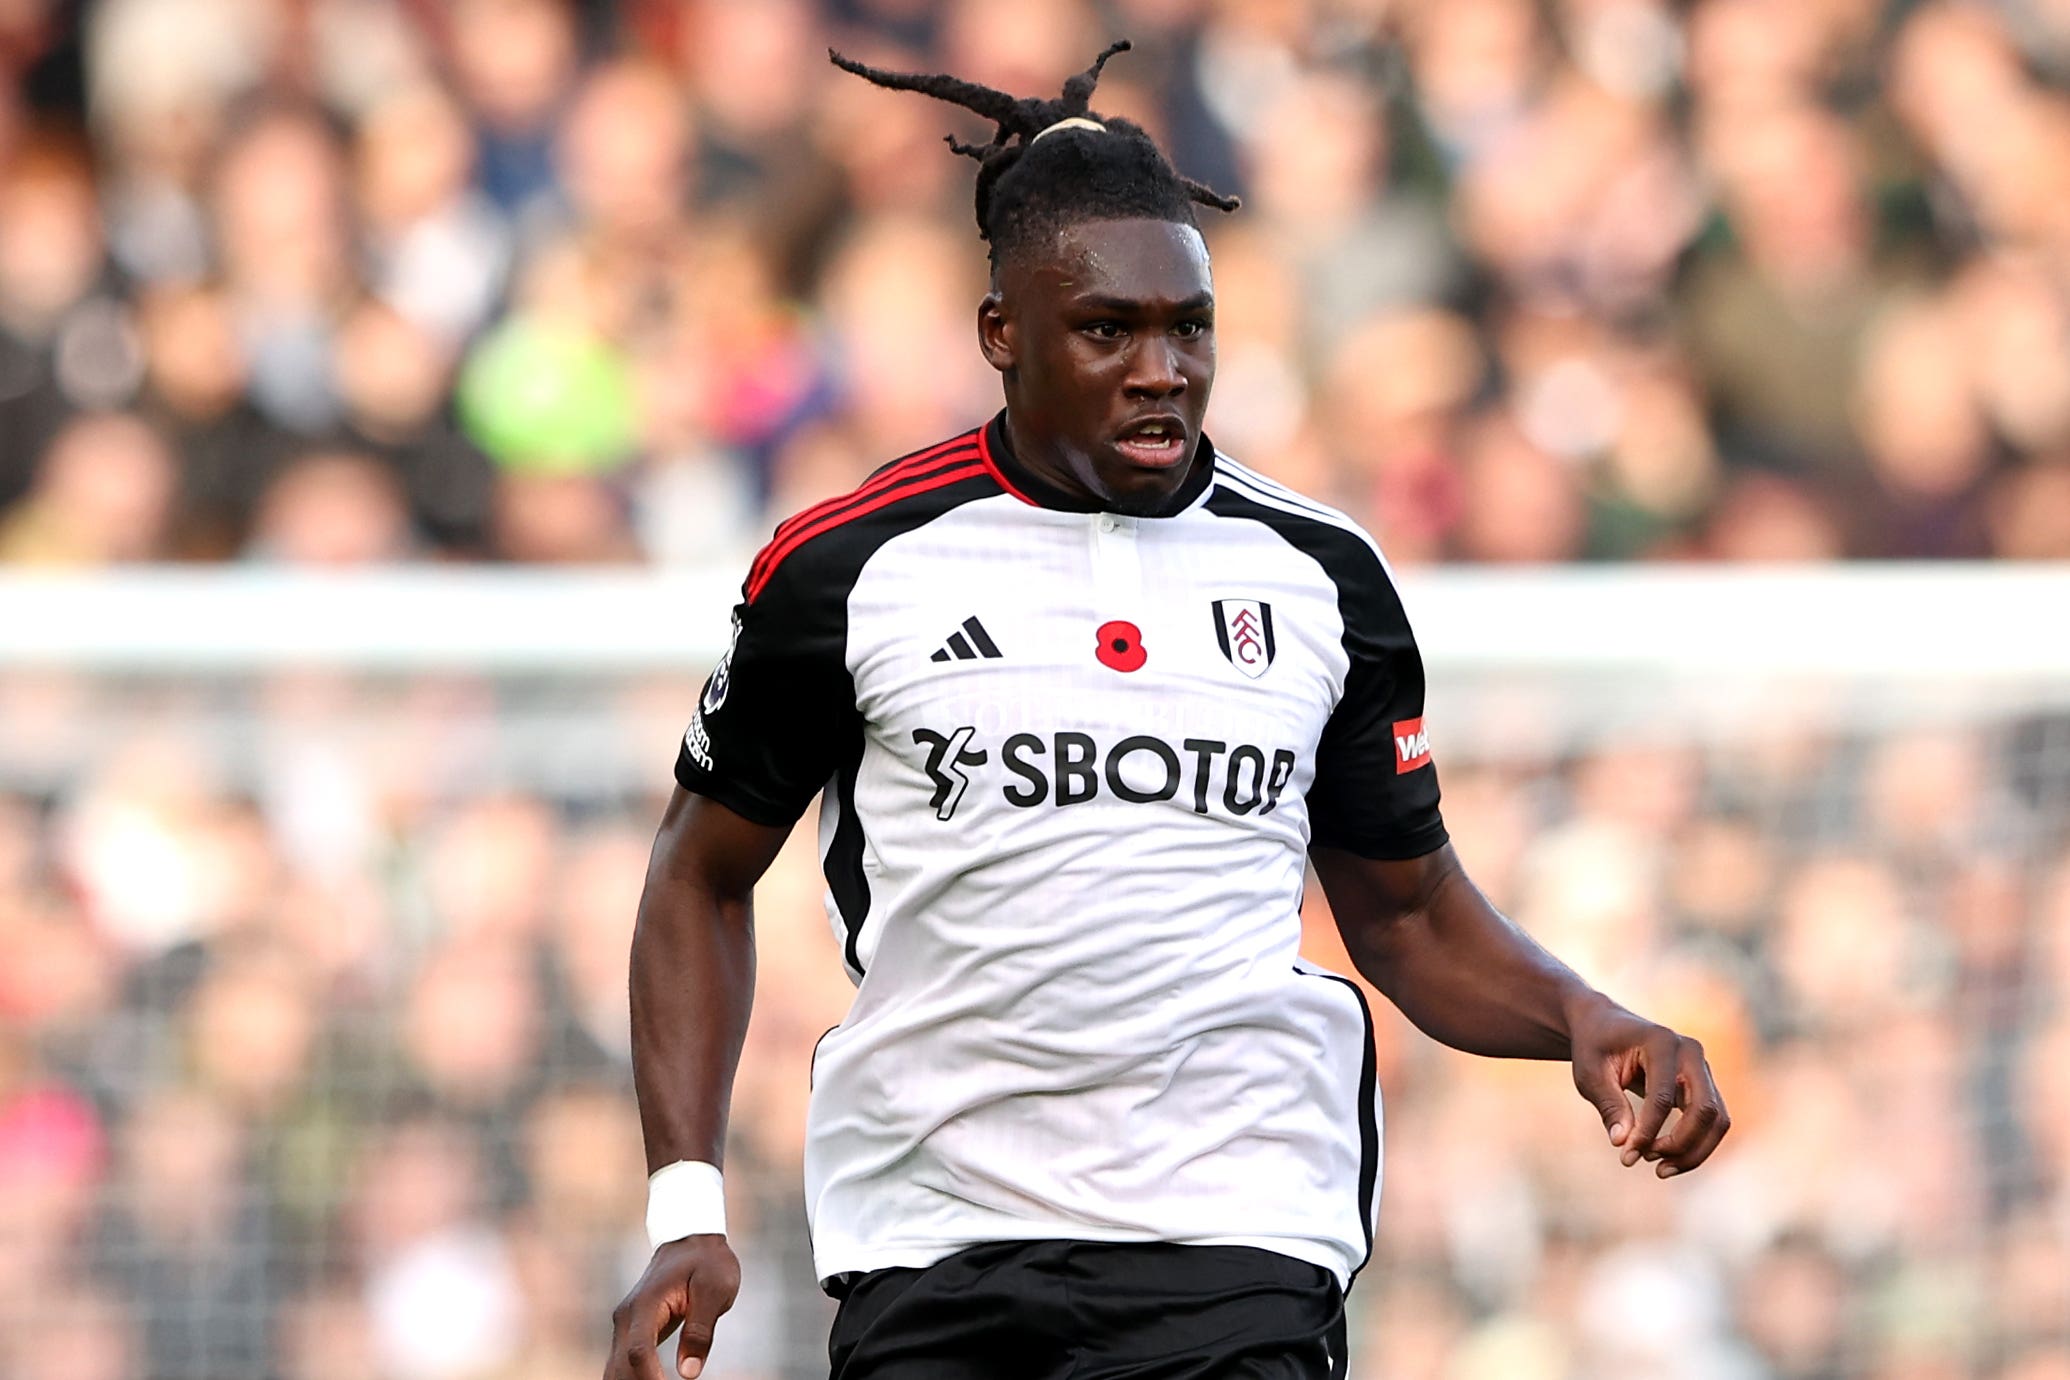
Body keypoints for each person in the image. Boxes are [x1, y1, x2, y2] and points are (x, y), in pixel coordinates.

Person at [603, 41, 1730, 1380]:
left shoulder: (1319, 577)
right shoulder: (847, 568)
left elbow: (1411, 914)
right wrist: (684, 1203)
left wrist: (1582, 1017)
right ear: (1001, 336)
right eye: (1107, 330)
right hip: (938, 1240)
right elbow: (698, 874)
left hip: (1236, 1238)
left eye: (1186, 327)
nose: (1162, 370)